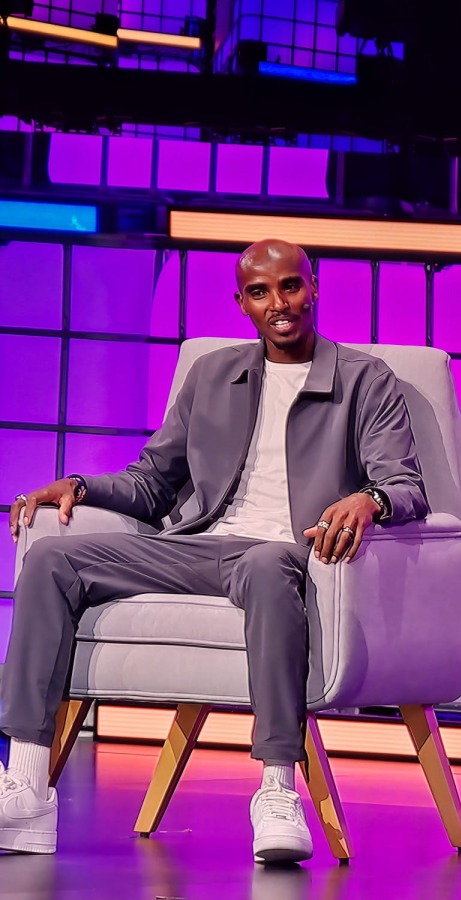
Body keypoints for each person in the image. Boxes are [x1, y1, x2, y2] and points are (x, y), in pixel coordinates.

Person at [0, 239, 429, 862]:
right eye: (260, 292)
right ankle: (27, 789)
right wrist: (83, 485)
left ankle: (277, 789)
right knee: (50, 560)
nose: (278, 304)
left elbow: (404, 486)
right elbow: (152, 483)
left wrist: (370, 500)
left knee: (263, 561)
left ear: (314, 288)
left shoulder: (365, 380)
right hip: (202, 547)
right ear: (242, 303)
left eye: (290, 286)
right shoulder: (212, 375)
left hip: (287, 556)